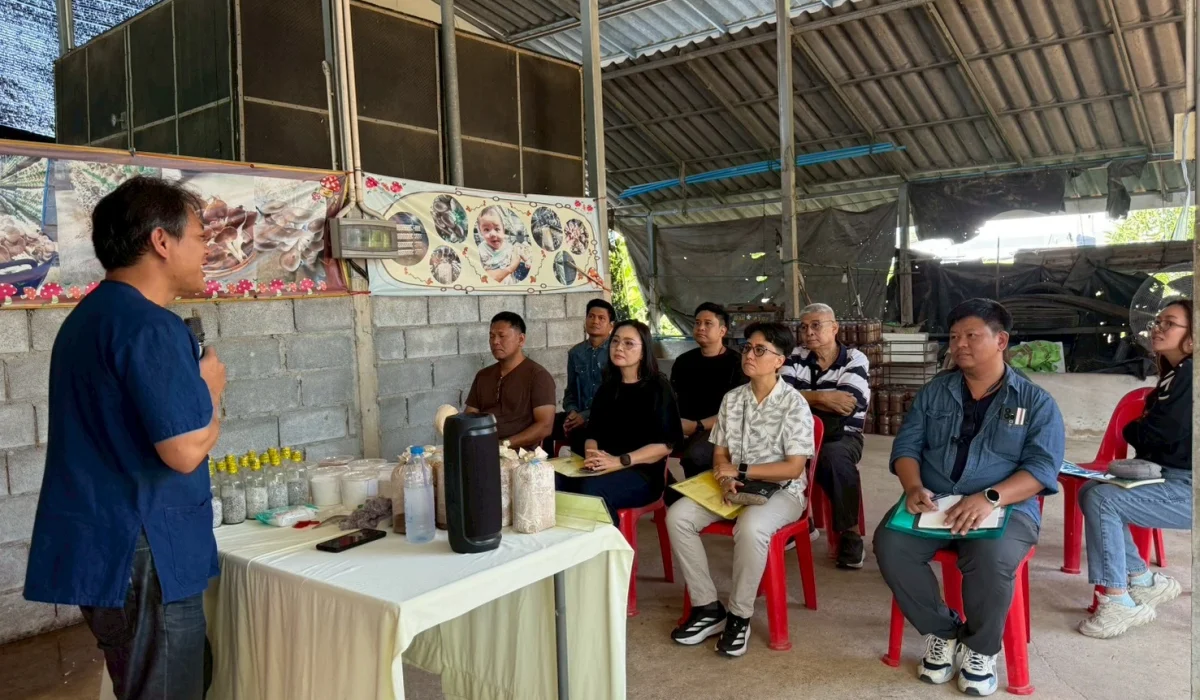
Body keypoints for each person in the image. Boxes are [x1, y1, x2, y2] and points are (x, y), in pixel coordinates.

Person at [24, 176, 227, 700]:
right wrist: (210, 389)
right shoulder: (150, 327)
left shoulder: (88, 318)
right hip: (146, 551)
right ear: (162, 241)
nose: (208, 249)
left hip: (110, 548)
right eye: (200, 237)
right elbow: (183, 450)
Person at [874, 298, 1064, 697]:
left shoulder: (1035, 402)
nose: (959, 344)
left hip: (1005, 506)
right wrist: (913, 487)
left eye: (971, 335)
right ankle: (942, 632)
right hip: (935, 501)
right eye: (954, 336)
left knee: (991, 558)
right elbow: (906, 447)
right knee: (890, 543)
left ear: (1001, 341)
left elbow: (1042, 469)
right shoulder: (934, 392)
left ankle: (980, 648)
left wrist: (990, 497)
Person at [667, 322, 814, 658]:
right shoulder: (732, 399)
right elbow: (720, 453)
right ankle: (707, 607)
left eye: (760, 350)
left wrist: (742, 470)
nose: (749, 354)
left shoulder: (794, 404)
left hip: (783, 491)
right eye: (748, 347)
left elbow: (794, 467)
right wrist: (725, 477)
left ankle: (739, 615)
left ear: (779, 361)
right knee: (678, 516)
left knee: (750, 528)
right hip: (734, 485)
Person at [1077, 300, 1193, 639]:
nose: (1157, 328)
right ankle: (1144, 581)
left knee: (1103, 501)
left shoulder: (1191, 374)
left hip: (1188, 487)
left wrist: (1136, 428)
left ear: (1192, 336)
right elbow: (1158, 435)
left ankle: (1118, 601)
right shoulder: (1174, 374)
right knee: (1090, 489)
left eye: (1169, 323)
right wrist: (1144, 429)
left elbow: (1163, 433)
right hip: (1171, 475)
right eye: (1158, 321)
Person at [557, 320, 683, 524]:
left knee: (591, 491)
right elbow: (592, 434)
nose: (619, 347)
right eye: (615, 341)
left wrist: (619, 461)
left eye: (628, 343)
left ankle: (609, 543)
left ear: (643, 352)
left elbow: (665, 446)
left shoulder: (658, 388)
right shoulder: (607, 388)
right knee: (552, 481)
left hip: (640, 473)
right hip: (604, 466)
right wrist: (593, 456)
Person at [781, 303, 871, 569]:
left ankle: (850, 534)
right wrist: (822, 397)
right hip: (797, 434)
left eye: (816, 325)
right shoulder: (794, 357)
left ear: (834, 328)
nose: (809, 332)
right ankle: (796, 520)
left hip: (844, 435)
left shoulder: (855, 358)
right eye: (804, 327)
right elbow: (778, 397)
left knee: (833, 458)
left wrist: (801, 399)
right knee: (770, 449)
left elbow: (848, 403)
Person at [669, 302, 748, 491]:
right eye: (697, 323)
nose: (701, 328)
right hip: (683, 426)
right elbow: (672, 399)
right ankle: (665, 491)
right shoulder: (683, 362)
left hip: (718, 428)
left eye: (708, 323)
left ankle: (703, 496)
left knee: (696, 455)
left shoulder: (737, 364)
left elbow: (736, 412)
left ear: (722, 330)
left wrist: (697, 425)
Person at [465, 311, 555, 449]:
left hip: (521, 455)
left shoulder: (538, 376)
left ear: (521, 339)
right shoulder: (483, 376)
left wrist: (503, 445)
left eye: (502, 336)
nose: (495, 342)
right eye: (491, 336)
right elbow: (470, 416)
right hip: (481, 449)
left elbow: (545, 426)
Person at [546, 298, 616, 456]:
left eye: (601, 318)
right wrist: (572, 412)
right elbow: (570, 392)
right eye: (591, 316)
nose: (595, 321)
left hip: (607, 418)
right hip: (579, 417)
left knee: (586, 436)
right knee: (547, 424)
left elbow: (615, 397)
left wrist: (585, 416)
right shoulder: (575, 353)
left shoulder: (616, 353)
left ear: (611, 326)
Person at [476, 206, 530, 284]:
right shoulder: (481, 249)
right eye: (486, 229)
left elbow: (519, 254)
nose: (493, 234)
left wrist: (527, 260)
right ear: (481, 232)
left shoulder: (509, 246)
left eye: (497, 229)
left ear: (503, 230)